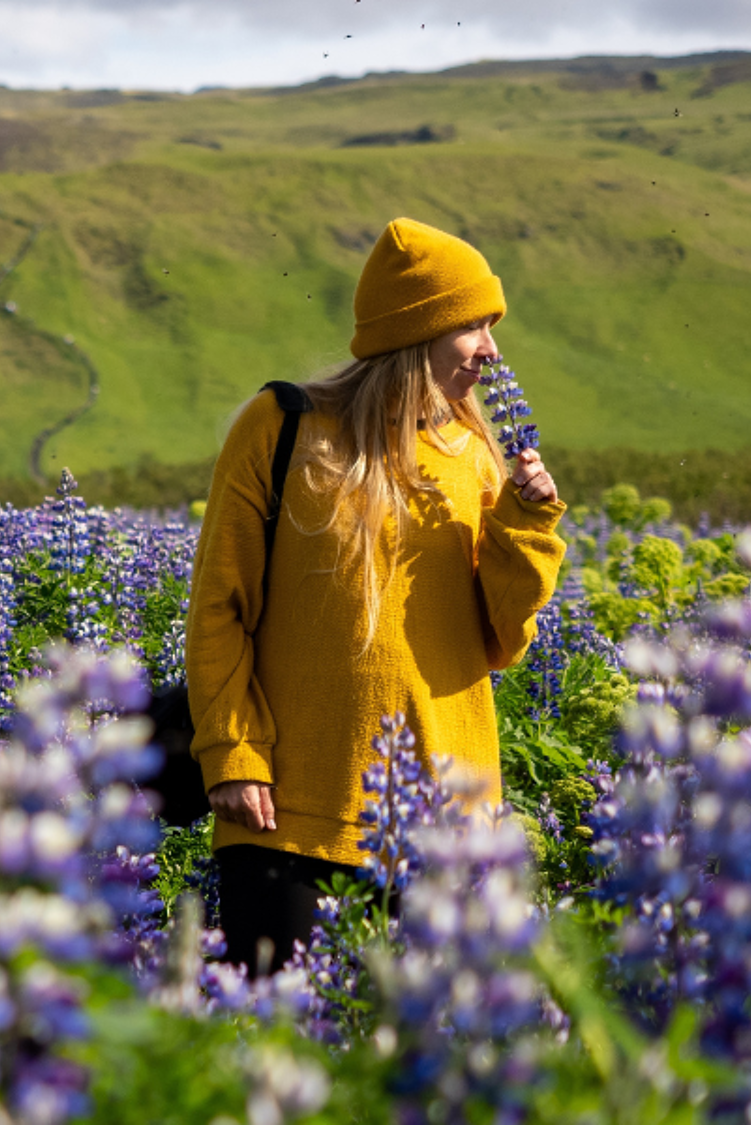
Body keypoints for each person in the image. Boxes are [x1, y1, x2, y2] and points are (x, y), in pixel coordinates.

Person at [184, 217, 566, 975]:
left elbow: (504, 638)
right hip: (287, 813)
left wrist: (529, 521)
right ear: (415, 330)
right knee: (279, 1058)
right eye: (474, 325)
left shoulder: (477, 457)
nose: (492, 349)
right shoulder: (283, 426)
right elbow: (218, 606)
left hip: (446, 823)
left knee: (424, 1076)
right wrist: (232, 751)